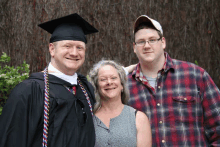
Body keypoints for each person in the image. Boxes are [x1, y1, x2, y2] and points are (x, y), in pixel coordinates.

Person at [0, 13, 98, 147]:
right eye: (67, 46)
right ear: (52, 49)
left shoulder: (86, 89)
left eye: (79, 47)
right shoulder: (29, 91)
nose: (74, 53)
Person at [127, 15, 220, 146]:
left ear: (163, 42)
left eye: (152, 40)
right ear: (134, 47)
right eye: (141, 42)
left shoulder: (195, 75)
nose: (146, 46)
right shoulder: (124, 86)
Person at [89, 60, 152, 147]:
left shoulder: (138, 118)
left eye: (113, 78)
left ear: (122, 85)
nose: (109, 82)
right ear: (97, 86)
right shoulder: (88, 119)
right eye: (103, 79)